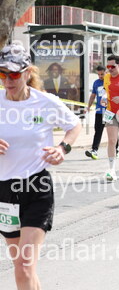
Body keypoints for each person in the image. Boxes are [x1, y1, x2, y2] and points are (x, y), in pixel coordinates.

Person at [0, 44, 81, 289]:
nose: (8, 80)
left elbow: (74, 125)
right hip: (4, 192)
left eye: (14, 74)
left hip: (36, 188)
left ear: (28, 73)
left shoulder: (45, 102)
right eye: (2, 74)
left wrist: (62, 148)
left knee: (25, 265)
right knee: (21, 267)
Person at [85, 65, 118, 160]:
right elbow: (93, 95)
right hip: (99, 111)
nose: (100, 76)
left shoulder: (111, 81)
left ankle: (116, 149)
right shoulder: (96, 83)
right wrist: (88, 106)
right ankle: (94, 150)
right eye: (98, 74)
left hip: (110, 111)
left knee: (112, 132)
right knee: (98, 131)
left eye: (102, 74)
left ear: (106, 72)